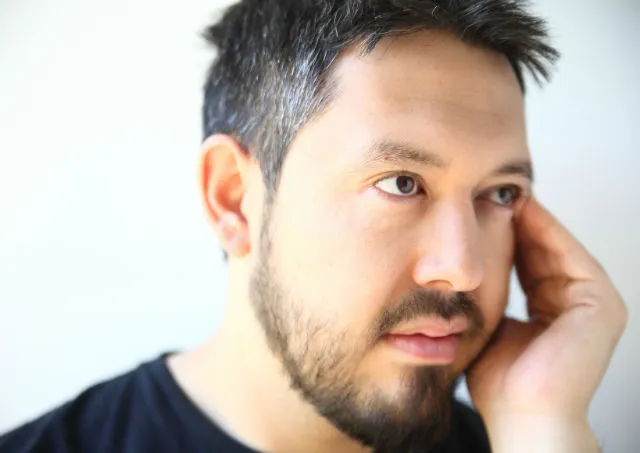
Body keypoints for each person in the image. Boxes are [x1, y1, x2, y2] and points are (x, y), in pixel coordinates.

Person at [0, 0, 628, 452]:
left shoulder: (528, 436)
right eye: (401, 183)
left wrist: (543, 428)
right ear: (233, 198)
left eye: (500, 193)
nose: (464, 269)